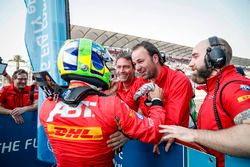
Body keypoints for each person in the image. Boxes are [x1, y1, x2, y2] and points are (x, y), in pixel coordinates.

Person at [39, 38, 166, 167]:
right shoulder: (112, 105)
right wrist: (156, 101)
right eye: (102, 62)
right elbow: (155, 131)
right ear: (90, 64)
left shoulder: (47, 106)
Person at [159, 36, 250, 167]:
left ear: (215, 56)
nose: (190, 63)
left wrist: (193, 134)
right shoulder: (216, 89)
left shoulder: (233, 86)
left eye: (195, 56)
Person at [108, 41, 193, 152]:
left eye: (140, 61)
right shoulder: (141, 81)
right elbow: (125, 110)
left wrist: (130, 134)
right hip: (146, 144)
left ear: (155, 58)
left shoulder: (179, 80)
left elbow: (167, 127)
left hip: (173, 149)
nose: (137, 68)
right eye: (134, 64)